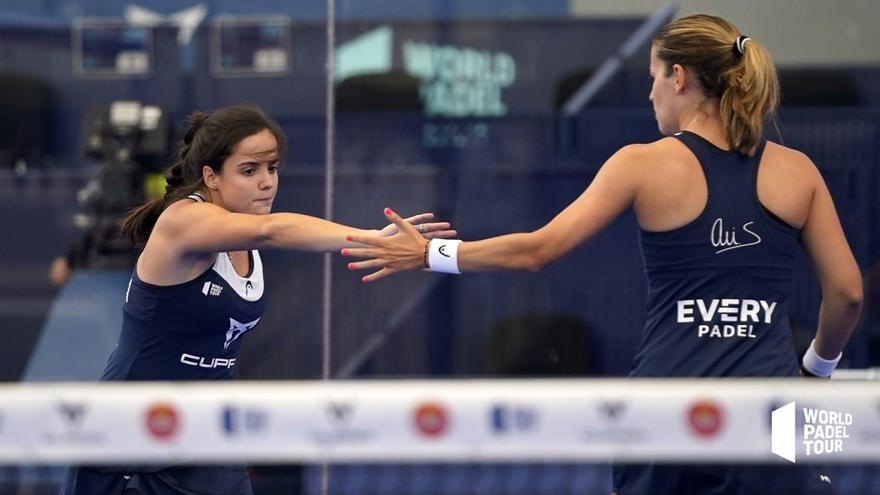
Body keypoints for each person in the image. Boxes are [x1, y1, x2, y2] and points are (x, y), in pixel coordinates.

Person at [343, 14, 863, 495]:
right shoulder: (798, 171)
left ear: (679, 77)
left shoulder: (641, 164)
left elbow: (537, 251)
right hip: (776, 413)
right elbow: (847, 294)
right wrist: (816, 370)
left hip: (665, 413)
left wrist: (430, 252)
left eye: (655, 75)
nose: (650, 91)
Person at [60, 104, 455, 495]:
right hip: (125, 430)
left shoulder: (244, 239)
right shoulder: (183, 221)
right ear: (211, 176)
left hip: (204, 434)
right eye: (249, 171)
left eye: (273, 168)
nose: (266, 182)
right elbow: (272, 230)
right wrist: (373, 238)